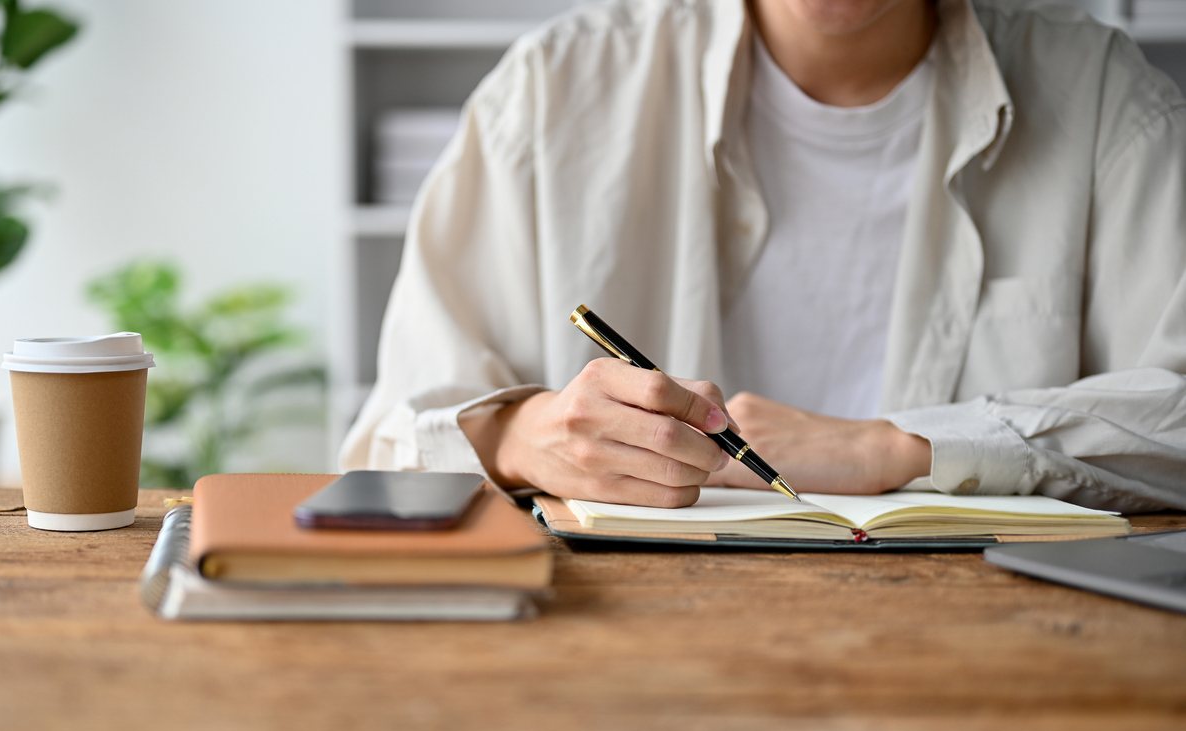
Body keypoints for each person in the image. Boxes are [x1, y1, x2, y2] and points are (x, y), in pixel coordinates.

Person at [339, 0, 1186, 512]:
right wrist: (523, 438)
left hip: (1003, 653)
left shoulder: (1104, 97)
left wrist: (894, 446)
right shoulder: (554, 92)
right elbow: (387, 447)